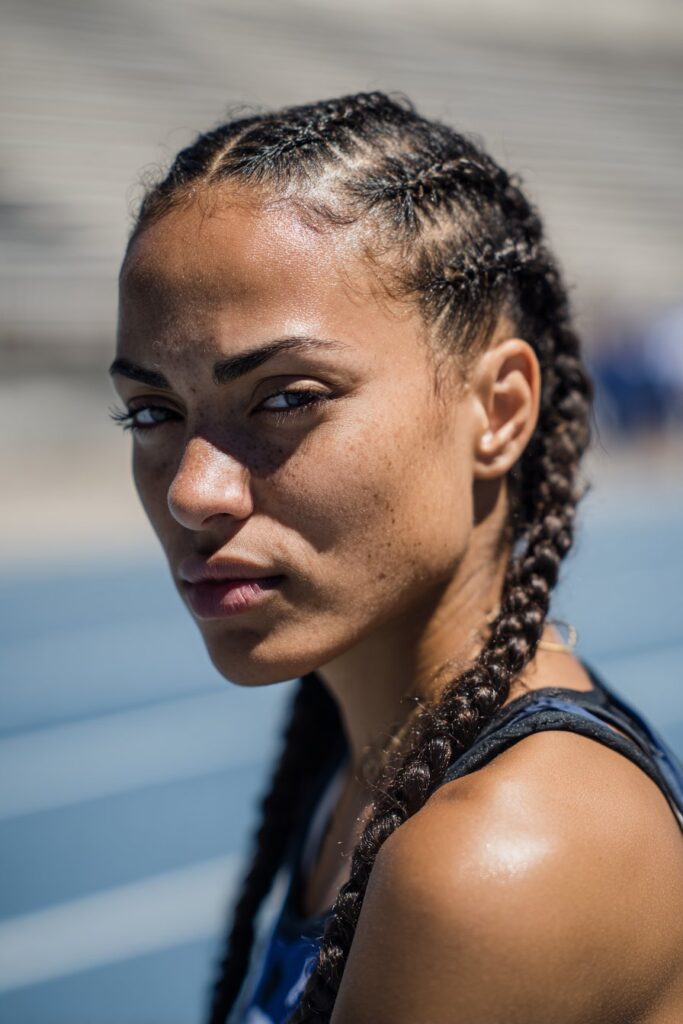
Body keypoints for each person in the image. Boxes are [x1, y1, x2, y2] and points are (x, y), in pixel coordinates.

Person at [109, 92, 683, 1024]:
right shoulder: (375, 753)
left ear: (496, 410)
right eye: (152, 412)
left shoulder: (499, 857)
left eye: (286, 398)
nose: (191, 490)